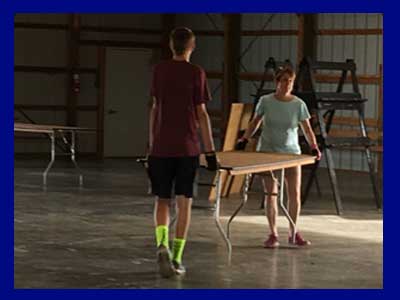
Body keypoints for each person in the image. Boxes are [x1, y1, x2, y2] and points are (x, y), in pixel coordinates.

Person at [148, 27, 218, 277]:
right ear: (192, 46)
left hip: (161, 147)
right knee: (184, 203)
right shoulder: (196, 73)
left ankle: (162, 244)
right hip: (187, 147)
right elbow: (202, 113)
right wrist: (210, 152)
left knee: (162, 200)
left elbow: (155, 108)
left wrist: (151, 145)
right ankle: (177, 258)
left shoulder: (159, 70)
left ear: (170, 45)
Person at [236, 67, 321, 248]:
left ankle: (293, 231)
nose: (287, 84)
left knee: (294, 193)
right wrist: (245, 139)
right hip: (267, 151)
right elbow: (255, 122)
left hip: (291, 153)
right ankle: (273, 233)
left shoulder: (298, 104)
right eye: (283, 81)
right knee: (271, 194)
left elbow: (306, 128)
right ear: (277, 82)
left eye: (290, 81)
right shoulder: (266, 101)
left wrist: (314, 146)